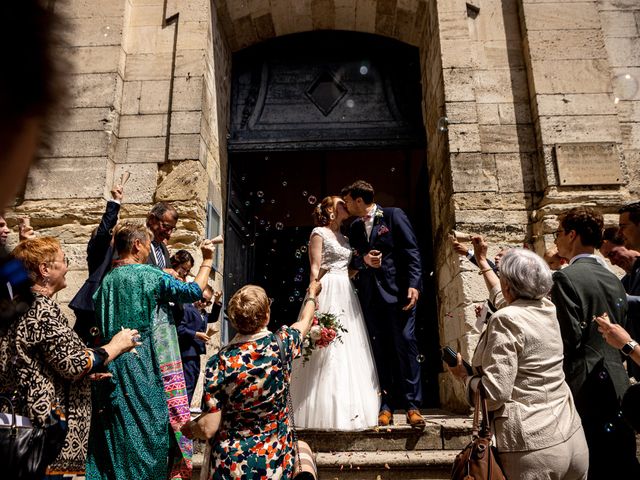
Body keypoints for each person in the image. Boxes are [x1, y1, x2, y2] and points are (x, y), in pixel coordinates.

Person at [85, 222, 217, 480]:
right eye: (147, 243)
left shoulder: (107, 281)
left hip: (110, 365)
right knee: (148, 434)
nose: (149, 249)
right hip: (142, 367)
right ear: (136, 245)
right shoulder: (148, 275)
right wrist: (208, 260)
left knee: (114, 437)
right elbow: (191, 292)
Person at [0, 237, 139, 478]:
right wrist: (116, 346)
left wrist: (88, 374)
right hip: (43, 433)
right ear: (45, 269)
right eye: (64, 261)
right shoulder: (41, 309)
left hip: (21, 425)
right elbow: (73, 364)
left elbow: (42, 363)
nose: (67, 266)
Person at [447, 248, 588, 480]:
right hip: (572, 437)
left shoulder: (506, 319)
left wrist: (465, 377)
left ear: (509, 286)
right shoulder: (547, 308)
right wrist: (482, 261)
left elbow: (494, 393)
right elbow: (503, 297)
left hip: (533, 446)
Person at [182, 280, 322, 479]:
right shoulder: (281, 344)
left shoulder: (220, 361)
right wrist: (311, 294)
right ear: (266, 316)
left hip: (230, 466)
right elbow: (305, 321)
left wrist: (190, 428)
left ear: (233, 320)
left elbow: (208, 427)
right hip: (274, 461)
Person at [551, 206, 640, 478]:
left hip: (584, 387)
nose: (555, 240)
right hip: (618, 382)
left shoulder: (564, 278)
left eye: (558, 233)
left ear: (572, 235)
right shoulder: (615, 281)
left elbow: (568, 340)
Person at [290, 196, 380, 430]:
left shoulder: (346, 238)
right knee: (325, 343)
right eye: (341, 203)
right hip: (326, 287)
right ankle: (318, 407)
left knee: (348, 344)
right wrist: (313, 297)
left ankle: (349, 407)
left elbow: (348, 268)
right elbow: (314, 267)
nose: (345, 206)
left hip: (345, 290)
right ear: (330, 209)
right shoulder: (318, 233)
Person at [342, 180, 424, 427]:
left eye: (347, 201)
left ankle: (413, 406)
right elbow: (353, 260)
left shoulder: (392, 215)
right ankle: (385, 406)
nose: (345, 206)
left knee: (406, 343)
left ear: (358, 200)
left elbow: (411, 251)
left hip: (399, 294)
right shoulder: (354, 227)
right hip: (370, 298)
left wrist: (414, 284)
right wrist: (364, 260)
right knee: (379, 351)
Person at [69, 183, 124, 345]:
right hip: (93, 308)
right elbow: (103, 233)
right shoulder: (99, 251)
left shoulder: (119, 253)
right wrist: (116, 202)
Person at [177, 285, 222, 404]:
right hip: (187, 351)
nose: (203, 304)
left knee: (193, 380)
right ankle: (183, 413)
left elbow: (213, 317)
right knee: (188, 383)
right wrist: (196, 334)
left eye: (207, 303)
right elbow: (180, 329)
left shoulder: (202, 312)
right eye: (202, 300)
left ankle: (185, 410)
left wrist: (217, 302)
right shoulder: (187, 308)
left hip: (196, 351)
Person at [147, 202, 179, 270]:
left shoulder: (163, 249)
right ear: (152, 219)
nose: (169, 233)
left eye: (172, 229)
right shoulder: (136, 242)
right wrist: (162, 272)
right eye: (166, 227)